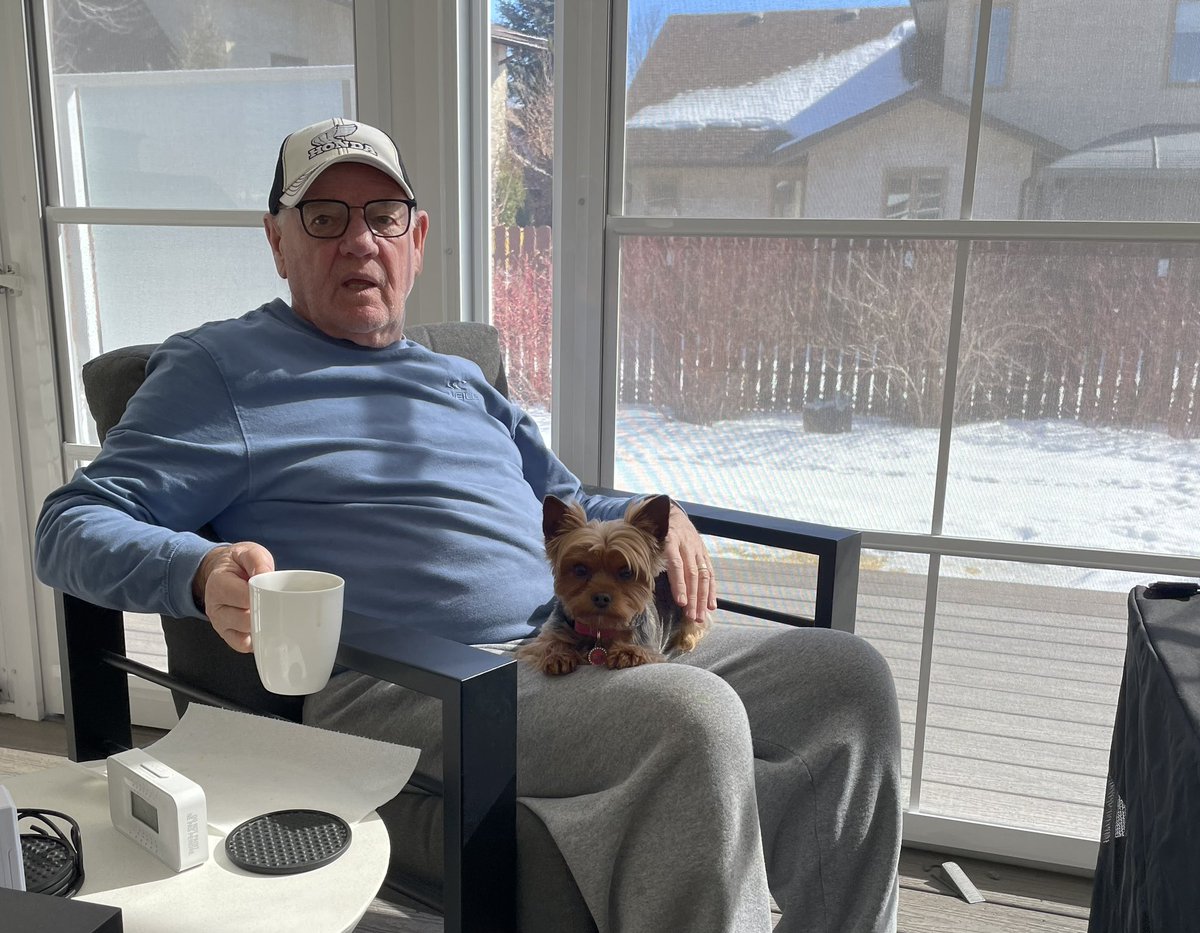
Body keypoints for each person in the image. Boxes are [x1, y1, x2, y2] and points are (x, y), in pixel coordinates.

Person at [35, 117, 901, 932]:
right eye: (324, 216)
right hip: (411, 686)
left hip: (562, 639)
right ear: (278, 240)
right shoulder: (217, 369)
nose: (358, 239)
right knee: (694, 715)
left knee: (844, 679)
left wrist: (653, 522)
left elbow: (567, 496)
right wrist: (196, 567)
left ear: (414, 240)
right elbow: (70, 523)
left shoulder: (457, 379)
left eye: (383, 215)